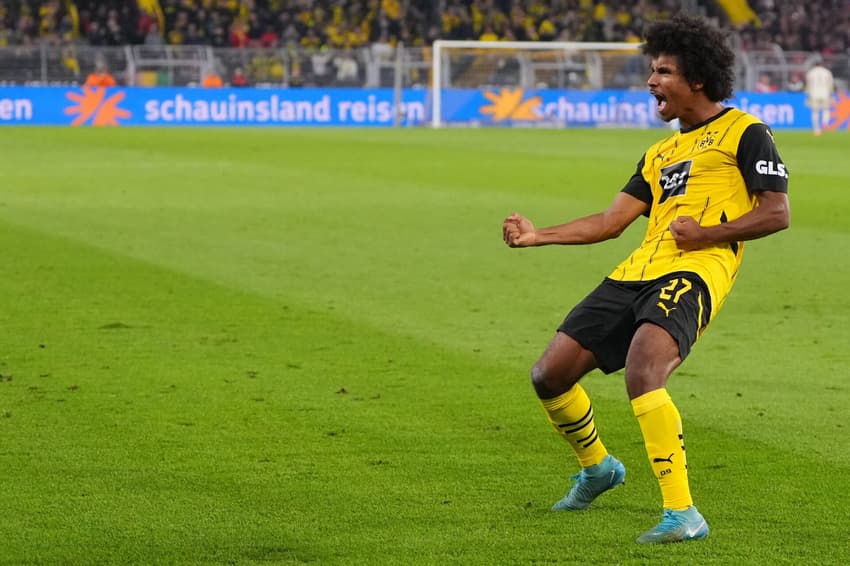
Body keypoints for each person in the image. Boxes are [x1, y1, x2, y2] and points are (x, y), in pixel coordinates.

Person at [502, 14, 790, 544]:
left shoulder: (745, 132)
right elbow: (611, 223)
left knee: (644, 367)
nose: (650, 82)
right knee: (549, 375)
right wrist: (538, 235)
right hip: (635, 271)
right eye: (652, 70)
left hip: (696, 270)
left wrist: (705, 234)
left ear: (696, 79)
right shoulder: (658, 154)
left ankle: (683, 513)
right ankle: (598, 468)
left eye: (662, 71)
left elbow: (777, 212)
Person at [805, 58, 835, 136]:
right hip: (825, 93)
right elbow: (830, 84)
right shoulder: (827, 72)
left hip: (814, 94)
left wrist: (808, 94)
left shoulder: (811, 72)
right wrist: (831, 94)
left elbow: (809, 84)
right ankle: (825, 123)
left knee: (815, 111)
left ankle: (816, 129)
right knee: (826, 109)